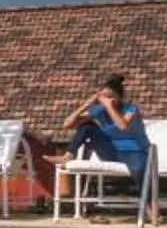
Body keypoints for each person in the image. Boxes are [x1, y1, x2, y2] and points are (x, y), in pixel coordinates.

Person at [62, 73, 152, 207]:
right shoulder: (98, 111)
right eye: (105, 97)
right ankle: (68, 155)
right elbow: (67, 125)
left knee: (139, 169)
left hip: (134, 151)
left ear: (119, 97)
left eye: (111, 97)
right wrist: (86, 105)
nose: (108, 101)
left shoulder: (131, 109)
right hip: (112, 151)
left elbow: (122, 126)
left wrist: (109, 106)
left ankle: (150, 206)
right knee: (88, 127)